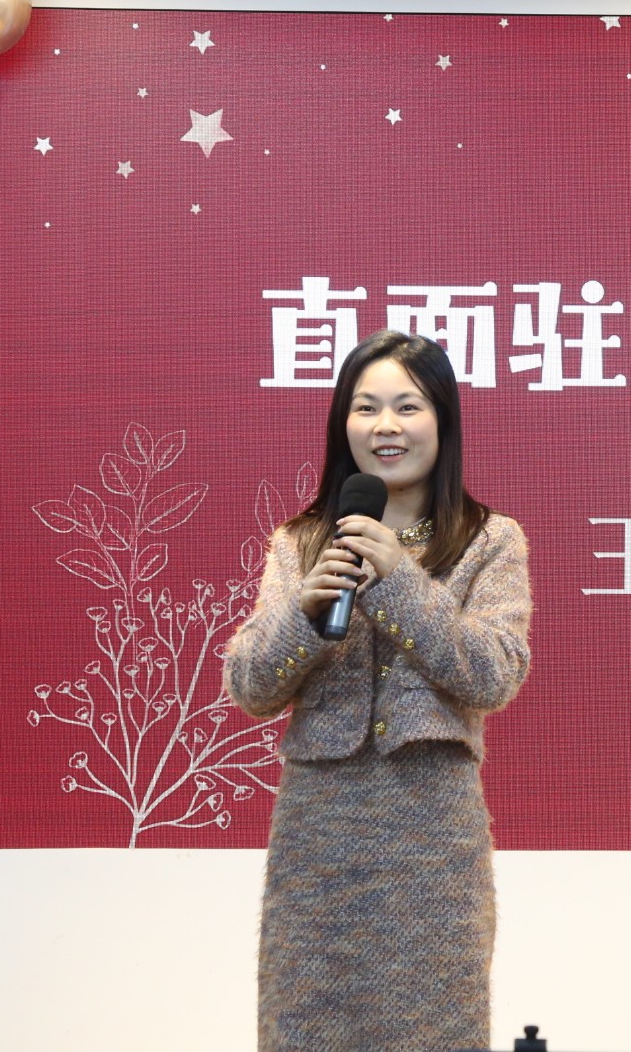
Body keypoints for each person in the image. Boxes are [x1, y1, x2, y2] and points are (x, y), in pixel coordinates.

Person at [224, 329, 532, 1052]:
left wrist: (398, 577)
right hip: (318, 840)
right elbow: (251, 686)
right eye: (365, 408)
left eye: (407, 407)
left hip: (433, 837)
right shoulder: (300, 542)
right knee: (306, 1027)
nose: (385, 426)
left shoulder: (490, 540)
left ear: (442, 422)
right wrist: (303, 615)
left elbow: (494, 672)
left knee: (433, 1029)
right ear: (344, 424)